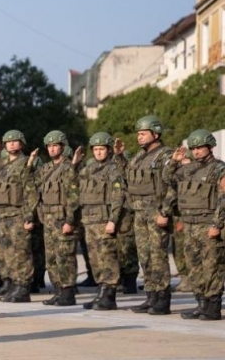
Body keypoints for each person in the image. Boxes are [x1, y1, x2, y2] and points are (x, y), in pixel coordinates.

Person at [164, 130, 225, 321]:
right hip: (190, 226)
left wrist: (217, 224)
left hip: (208, 225)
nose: (197, 151)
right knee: (194, 266)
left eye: (200, 147)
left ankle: (213, 307)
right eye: (194, 148)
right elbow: (166, 179)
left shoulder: (219, 169)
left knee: (212, 266)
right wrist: (174, 161)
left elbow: (223, 199)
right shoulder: (187, 170)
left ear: (210, 146)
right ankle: (201, 304)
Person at [119, 115, 174, 315]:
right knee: (145, 256)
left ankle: (162, 298)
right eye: (138, 134)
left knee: (158, 255)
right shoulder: (138, 157)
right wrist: (119, 156)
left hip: (155, 212)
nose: (139, 137)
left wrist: (165, 212)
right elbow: (127, 177)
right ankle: (151, 296)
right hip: (139, 212)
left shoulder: (165, 155)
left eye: (143, 133)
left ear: (156, 133)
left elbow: (172, 185)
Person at [0, 130, 39, 303]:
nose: (12, 144)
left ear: (22, 144)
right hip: (2, 215)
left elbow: (31, 192)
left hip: (18, 214)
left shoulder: (26, 164)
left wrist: (29, 216)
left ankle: (23, 287)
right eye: (8, 142)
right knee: (8, 252)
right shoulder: (0, 165)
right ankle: (14, 284)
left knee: (21, 251)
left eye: (15, 141)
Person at [75, 133, 126, 310]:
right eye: (95, 149)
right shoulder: (88, 170)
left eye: (101, 149)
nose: (98, 152)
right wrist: (75, 164)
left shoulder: (113, 169)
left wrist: (113, 220)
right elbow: (72, 185)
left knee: (107, 257)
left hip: (104, 220)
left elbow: (118, 197)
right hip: (89, 220)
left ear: (109, 149)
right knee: (95, 259)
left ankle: (109, 295)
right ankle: (101, 292)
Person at [33, 131, 80, 306]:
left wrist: (70, 220)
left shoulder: (70, 168)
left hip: (63, 218)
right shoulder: (45, 169)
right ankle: (58, 290)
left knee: (65, 256)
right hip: (49, 219)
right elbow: (31, 186)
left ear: (63, 146)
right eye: (50, 146)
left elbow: (73, 196)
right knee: (51, 258)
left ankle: (68, 292)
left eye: (55, 145)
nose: (52, 149)